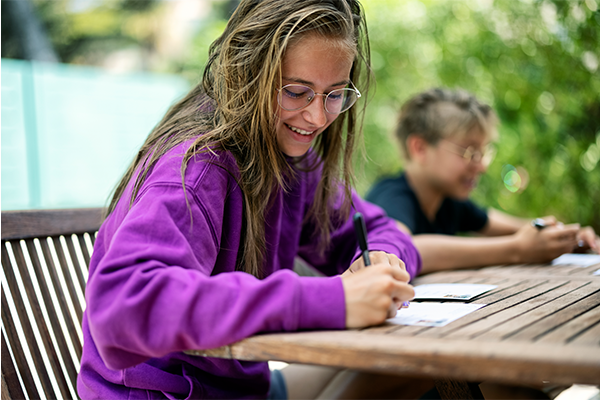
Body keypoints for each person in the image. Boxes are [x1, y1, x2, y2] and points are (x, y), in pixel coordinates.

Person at [77, 1, 423, 399]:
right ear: (246, 73)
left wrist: (382, 257)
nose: (317, 117)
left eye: (335, 94)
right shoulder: (196, 168)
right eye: (297, 92)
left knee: (416, 371)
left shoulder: (289, 156)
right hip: (170, 394)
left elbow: (376, 227)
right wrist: (332, 299)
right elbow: (124, 304)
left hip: (240, 388)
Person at [366, 87, 600, 275]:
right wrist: (517, 250)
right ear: (420, 148)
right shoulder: (391, 197)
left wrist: (565, 235)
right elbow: (401, 249)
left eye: (483, 152)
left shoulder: (448, 200)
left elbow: (516, 226)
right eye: (469, 152)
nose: (483, 165)